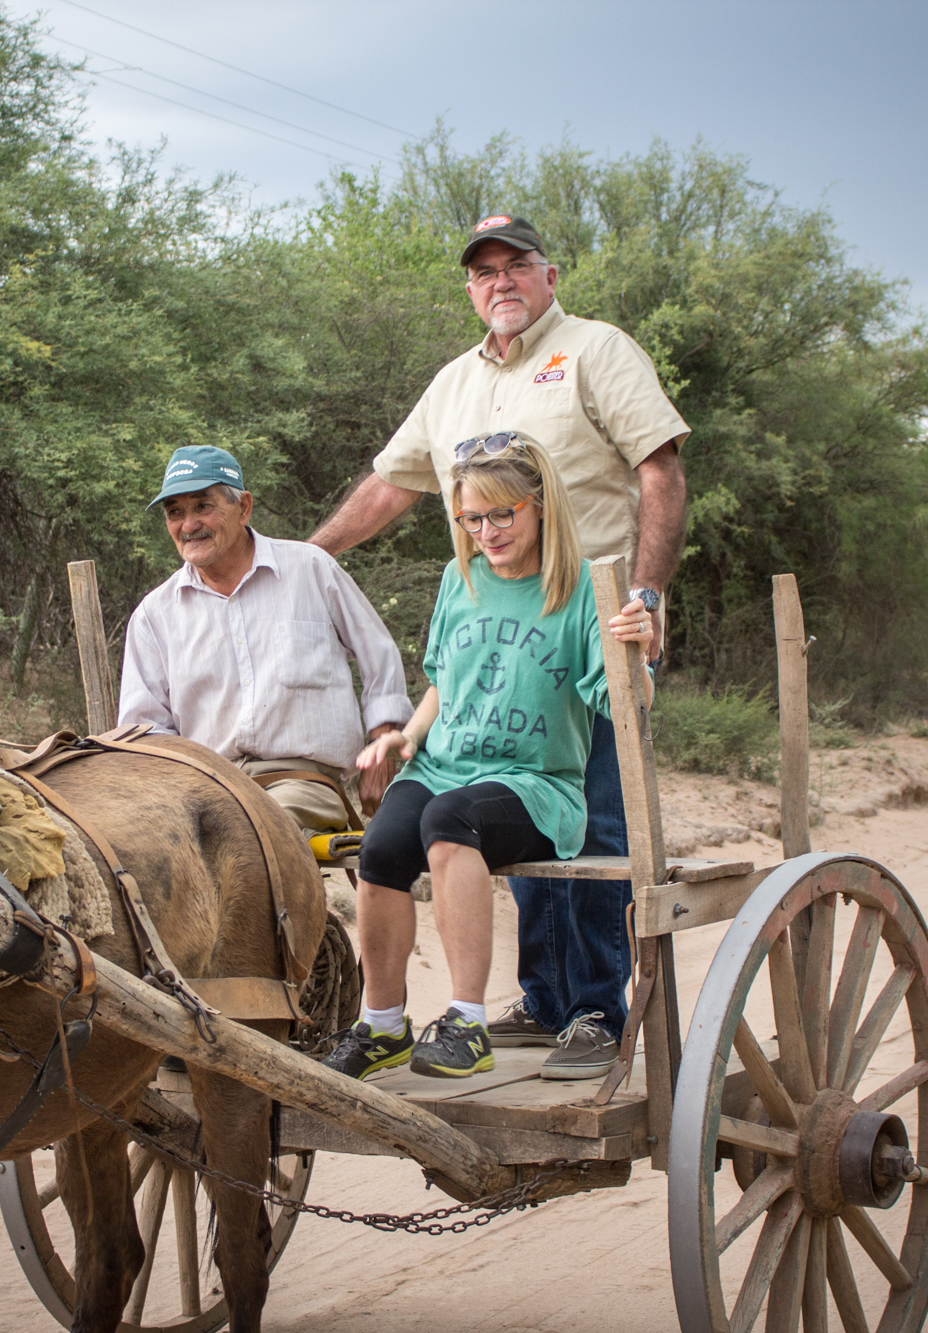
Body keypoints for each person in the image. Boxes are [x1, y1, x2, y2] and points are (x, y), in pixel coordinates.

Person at [309, 214, 690, 1074]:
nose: (502, 281)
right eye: (484, 271)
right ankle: (542, 1000)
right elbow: (390, 485)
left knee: (587, 828)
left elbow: (659, 470)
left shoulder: (596, 350)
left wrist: (646, 596)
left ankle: (593, 1007)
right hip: (493, 628)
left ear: (549, 274)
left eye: (517, 264)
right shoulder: (454, 386)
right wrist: (313, 552)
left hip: (586, 616)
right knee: (493, 826)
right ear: (471, 289)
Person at [322, 438, 653, 1082]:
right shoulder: (460, 577)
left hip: (534, 782)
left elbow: (625, 703)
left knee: (450, 820)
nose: (486, 531)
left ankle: (465, 1022)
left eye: (502, 514)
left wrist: (638, 653)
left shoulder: (584, 585)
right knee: (384, 841)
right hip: (446, 763)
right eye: (471, 518)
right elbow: (446, 681)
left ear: (540, 506)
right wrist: (409, 737)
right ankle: (383, 1024)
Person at [119, 445, 411, 833]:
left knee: (246, 837)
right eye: (175, 512)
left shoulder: (310, 568)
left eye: (203, 506)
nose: (188, 525)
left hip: (301, 783)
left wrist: (382, 749)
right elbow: (145, 732)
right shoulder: (155, 615)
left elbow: (379, 656)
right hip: (204, 789)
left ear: (244, 507)